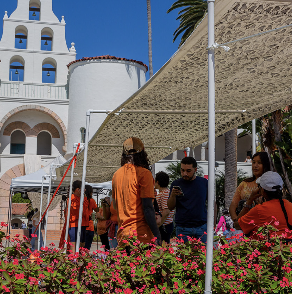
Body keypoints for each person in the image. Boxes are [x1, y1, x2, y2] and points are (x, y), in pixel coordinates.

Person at [112, 137, 161, 246]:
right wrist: (157, 234)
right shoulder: (144, 174)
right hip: (141, 235)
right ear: (143, 152)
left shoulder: (116, 175)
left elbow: (115, 205)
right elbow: (147, 208)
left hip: (122, 235)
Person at [237, 171, 292, 239]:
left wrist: (249, 200)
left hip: (268, 248)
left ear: (262, 190)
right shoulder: (290, 205)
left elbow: (237, 225)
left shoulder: (259, 210)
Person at [167, 157, 208, 243]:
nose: (185, 173)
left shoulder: (204, 183)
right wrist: (173, 195)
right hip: (183, 228)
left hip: (201, 227)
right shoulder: (176, 184)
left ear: (195, 169)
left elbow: (213, 203)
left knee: (204, 255)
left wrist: (213, 223)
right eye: (182, 170)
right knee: (184, 256)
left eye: (188, 171)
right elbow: (170, 207)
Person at [229, 152, 271, 226]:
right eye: (253, 162)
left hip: (263, 225)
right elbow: (233, 204)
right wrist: (236, 220)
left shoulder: (271, 184)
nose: (255, 166)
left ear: (266, 165)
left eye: (259, 163)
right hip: (243, 225)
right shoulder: (244, 183)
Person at [68, 180, 89, 253]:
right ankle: (73, 259)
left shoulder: (81, 198)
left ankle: (79, 258)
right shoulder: (72, 199)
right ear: (78, 189)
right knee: (73, 243)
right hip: (74, 224)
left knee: (82, 243)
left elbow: (85, 210)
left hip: (82, 223)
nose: (85, 190)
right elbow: (78, 211)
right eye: (83, 188)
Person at [155, 171, 174, 243]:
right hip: (166, 224)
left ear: (158, 182)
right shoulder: (166, 192)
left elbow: (166, 211)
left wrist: (159, 225)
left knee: (163, 246)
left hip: (164, 225)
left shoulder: (164, 193)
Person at [84, 184, 99, 250]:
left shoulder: (81, 200)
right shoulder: (92, 201)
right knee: (87, 247)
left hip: (82, 226)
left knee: (80, 246)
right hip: (90, 226)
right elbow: (97, 209)